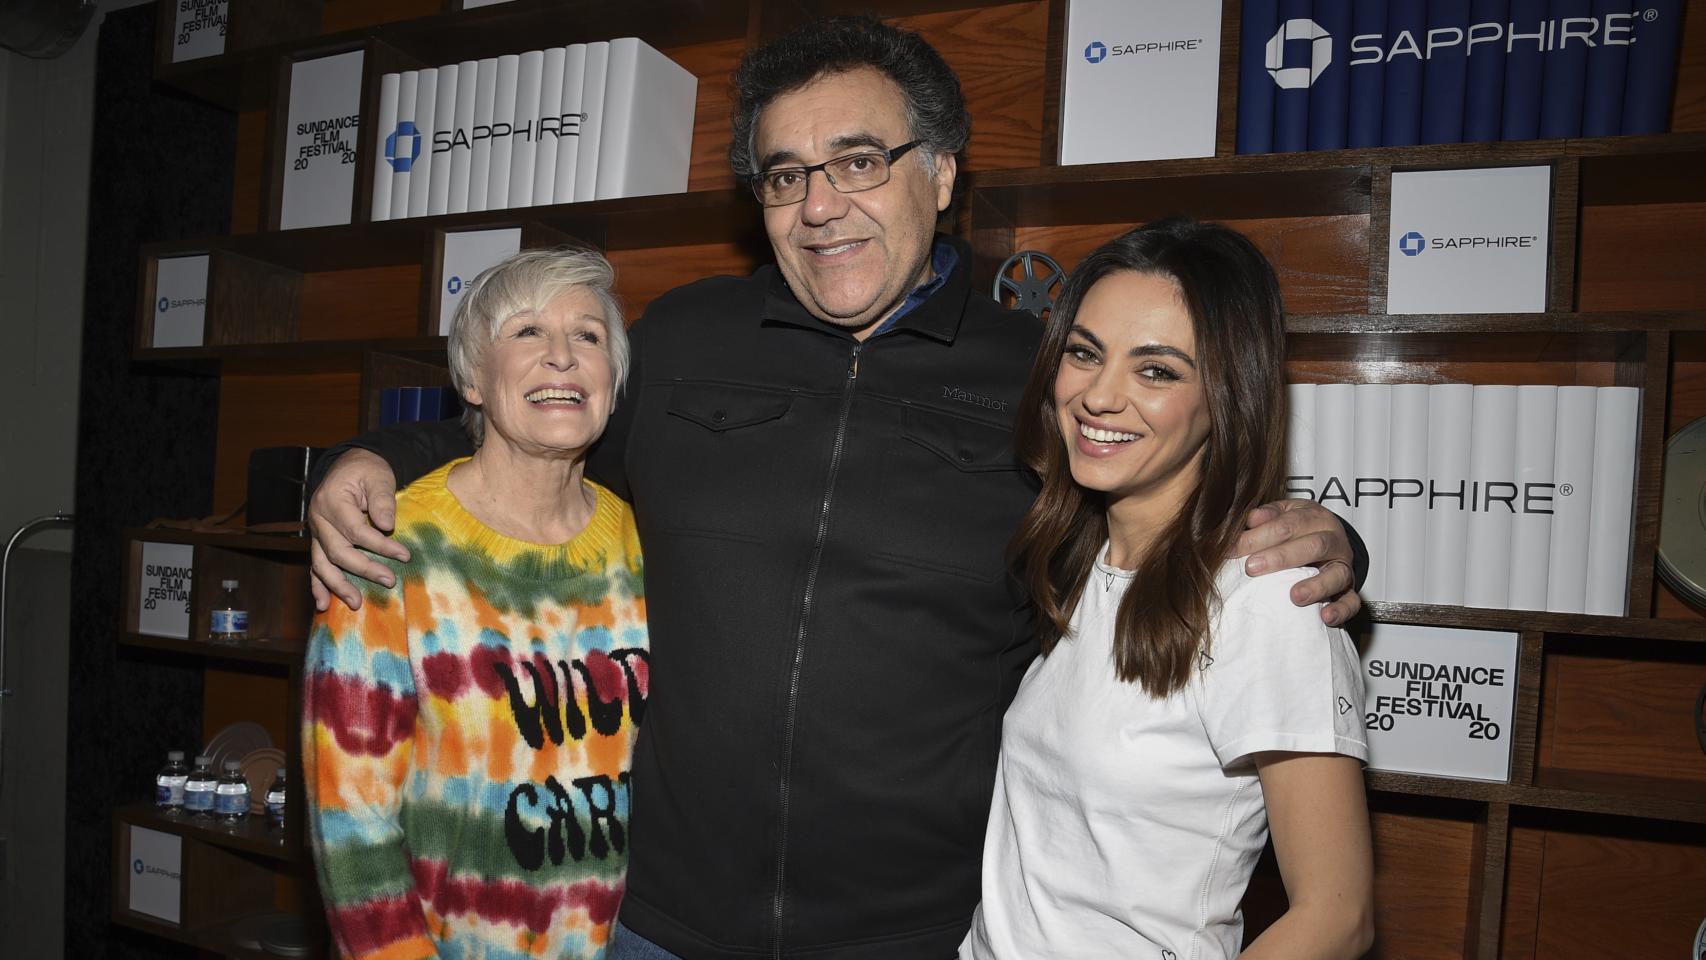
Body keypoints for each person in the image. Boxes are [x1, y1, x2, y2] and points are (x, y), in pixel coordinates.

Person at [305, 17, 1366, 959]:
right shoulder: (683, 337)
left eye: (858, 161)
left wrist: (1326, 541)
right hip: (655, 923)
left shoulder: (1040, 374)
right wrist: (372, 460)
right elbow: (523, 438)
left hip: (915, 934)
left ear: (941, 172)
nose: (819, 206)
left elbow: (1161, 497)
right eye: (782, 175)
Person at [963, 219, 1373, 959]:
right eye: (1085, 354)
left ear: (1227, 395)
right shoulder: (1074, 562)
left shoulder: (1266, 603)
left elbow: (1337, 919)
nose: (1100, 396)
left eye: (1157, 370)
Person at [302, 248, 648, 960]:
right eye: (526, 332)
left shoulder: (646, 543)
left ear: (613, 381)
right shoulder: (391, 548)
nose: (562, 357)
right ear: (472, 378)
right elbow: (352, 825)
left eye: (588, 335)